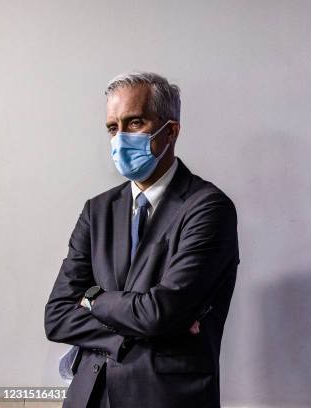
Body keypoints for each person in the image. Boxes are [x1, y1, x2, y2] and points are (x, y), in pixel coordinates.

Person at [44, 72, 239, 407]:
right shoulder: (98, 210)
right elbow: (57, 315)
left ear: (171, 131)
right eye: (112, 127)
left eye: (134, 123)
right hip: (89, 397)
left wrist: (92, 299)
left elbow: (161, 312)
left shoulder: (208, 208)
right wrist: (147, 326)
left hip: (165, 398)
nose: (120, 138)